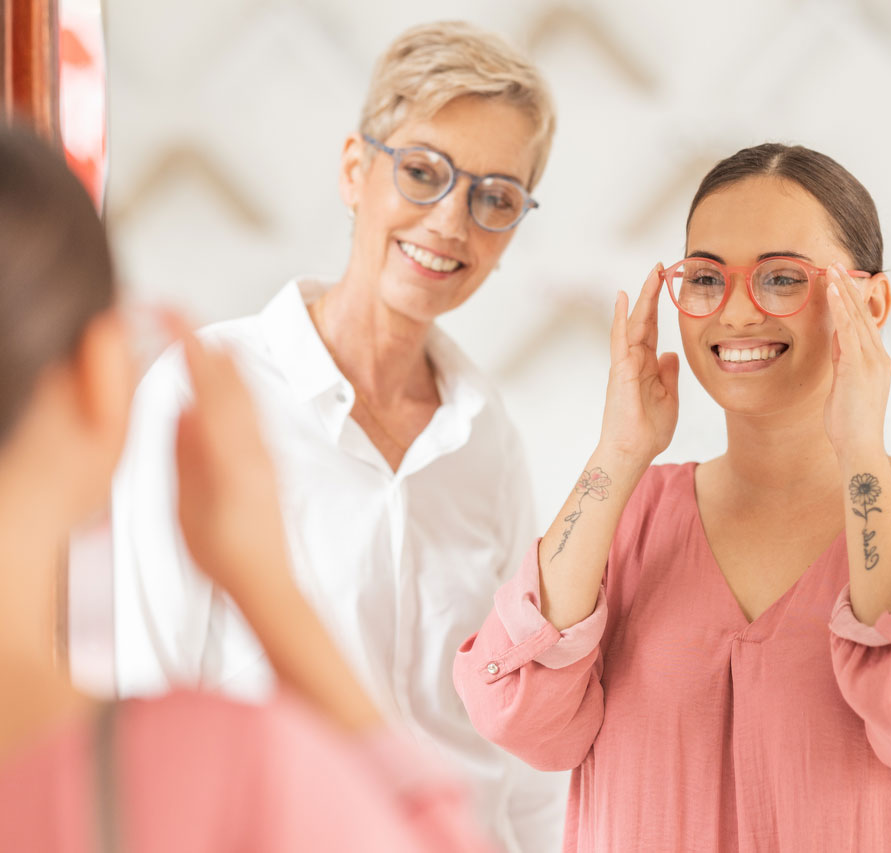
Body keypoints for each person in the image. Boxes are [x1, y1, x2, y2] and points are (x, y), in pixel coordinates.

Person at [0, 118, 493, 853]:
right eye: (421, 174)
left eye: (497, 197)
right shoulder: (219, 775)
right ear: (97, 377)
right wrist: (270, 590)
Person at [454, 143, 891, 851]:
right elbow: (517, 713)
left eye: (782, 277)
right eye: (705, 278)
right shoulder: (634, 513)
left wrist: (860, 448)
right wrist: (618, 453)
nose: (734, 312)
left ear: (872, 301)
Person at [112, 20, 566, 851]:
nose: (451, 222)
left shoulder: (486, 438)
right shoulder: (204, 390)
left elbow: (515, 733)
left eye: (495, 196)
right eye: (423, 172)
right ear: (357, 171)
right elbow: (145, 691)